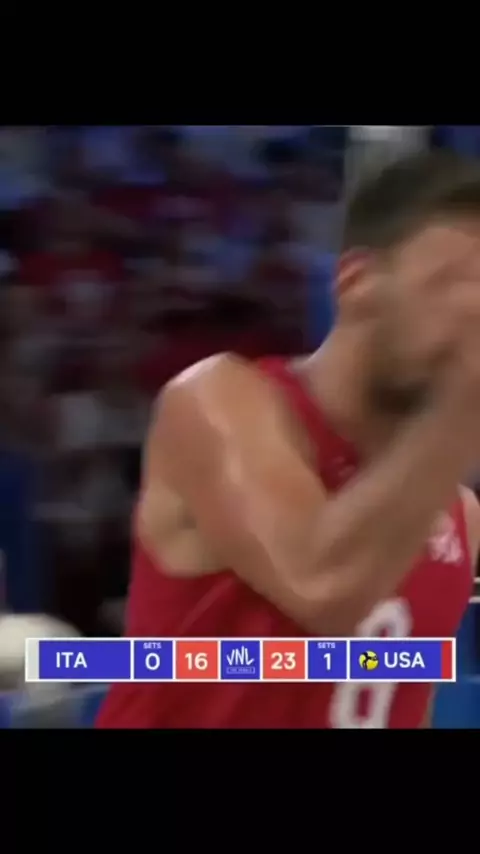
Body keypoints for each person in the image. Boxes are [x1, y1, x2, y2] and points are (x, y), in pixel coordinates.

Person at [97, 151, 480, 729]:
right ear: (356, 283)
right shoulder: (217, 402)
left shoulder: (455, 513)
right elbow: (323, 587)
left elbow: (402, 705)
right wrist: (465, 403)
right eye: (449, 285)